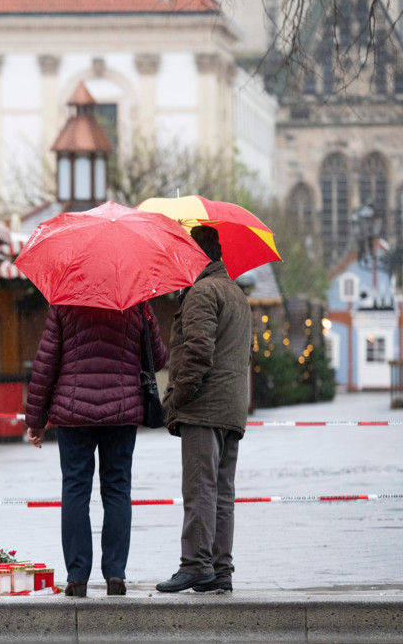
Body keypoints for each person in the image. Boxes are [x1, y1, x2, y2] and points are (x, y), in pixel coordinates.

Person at [25, 301, 168, 597]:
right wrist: (146, 319)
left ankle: (77, 577)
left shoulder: (65, 301)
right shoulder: (135, 300)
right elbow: (158, 357)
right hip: (122, 409)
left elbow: (46, 362)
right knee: (117, 488)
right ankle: (115, 574)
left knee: (75, 489)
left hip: (74, 411)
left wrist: (36, 419)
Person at [156, 225, 252, 594]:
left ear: (197, 256)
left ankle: (195, 564)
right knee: (222, 491)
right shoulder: (236, 294)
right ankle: (219, 568)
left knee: (200, 488)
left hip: (203, 408)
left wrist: (176, 398)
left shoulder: (202, 293)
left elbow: (197, 352)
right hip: (231, 408)